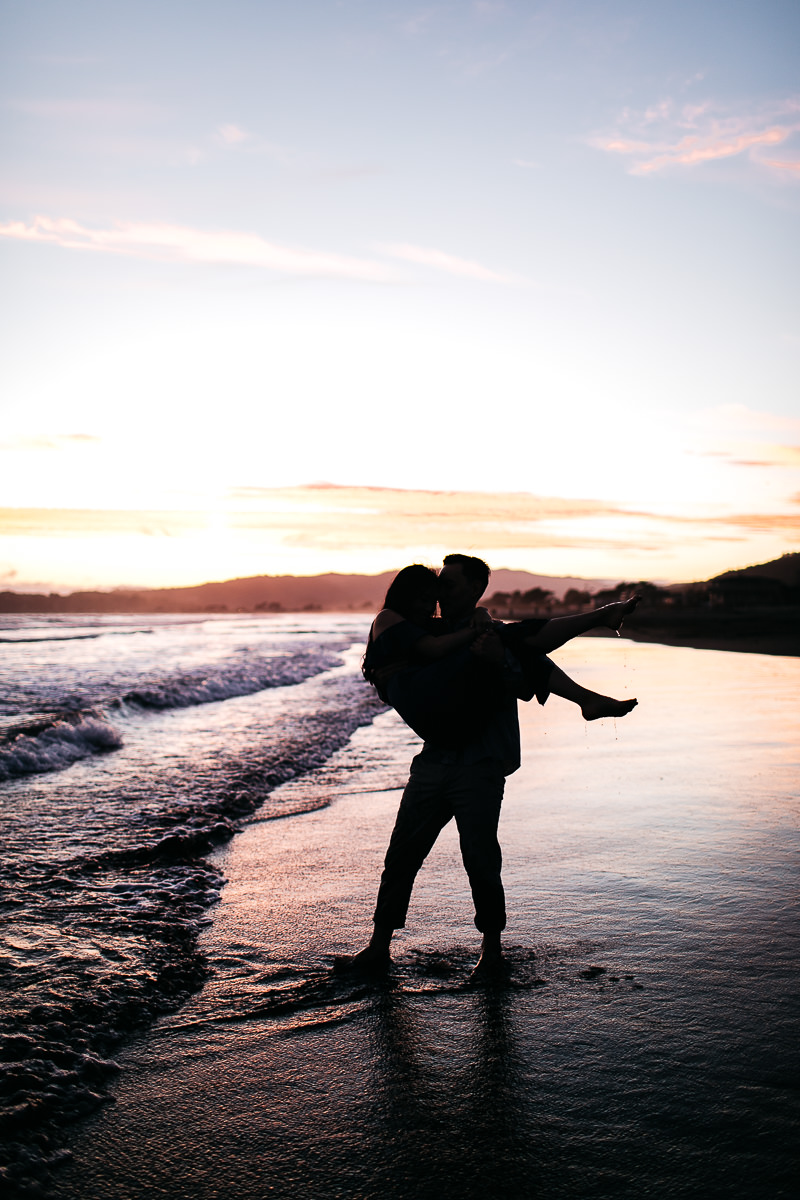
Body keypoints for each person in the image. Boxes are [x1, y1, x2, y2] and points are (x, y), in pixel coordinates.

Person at [338, 554, 639, 980]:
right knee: (401, 856)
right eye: (435, 588)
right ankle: (377, 947)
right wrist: (485, 635)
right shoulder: (431, 631)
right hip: (435, 760)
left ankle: (491, 953)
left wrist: (496, 655)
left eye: (448, 586)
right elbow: (423, 662)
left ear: (476, 590)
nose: (439, 596)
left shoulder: (482, 634)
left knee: (480, 859)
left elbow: (522, 684)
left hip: (479, 763)